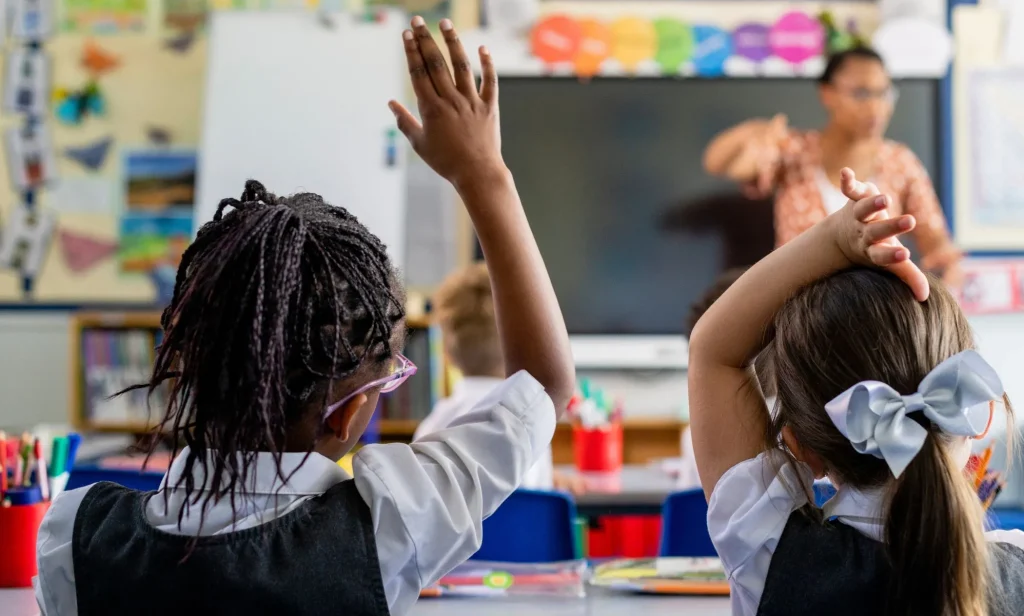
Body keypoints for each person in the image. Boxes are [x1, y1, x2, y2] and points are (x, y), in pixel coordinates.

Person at [33, 18, 574, 616]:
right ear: (348, 414)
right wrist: (483, 174)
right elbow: (545, 386)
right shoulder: (392, 523)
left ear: (188, 367)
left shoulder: (72, 536)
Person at [687, 169, 1024, 616]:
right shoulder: (1017, 567)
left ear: (800, 446)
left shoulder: (770, 552)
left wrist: (833, 239)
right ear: (968, 417)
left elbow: (713, 349)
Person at [702, 47, 961, 286]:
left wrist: (943, 259)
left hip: (875, 314)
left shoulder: (901, 162)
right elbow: (718, 163)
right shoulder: (793, 150)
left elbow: (933, 235)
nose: (875, 107)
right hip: (798, 312)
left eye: (883, 93)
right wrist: (756, 131)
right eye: (861, 93)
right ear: (827, 94)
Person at [415, 262, 585, 494]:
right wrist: (546, 480)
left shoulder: (432, 427)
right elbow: (524, 495)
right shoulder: (534, 422)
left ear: (447, 354)